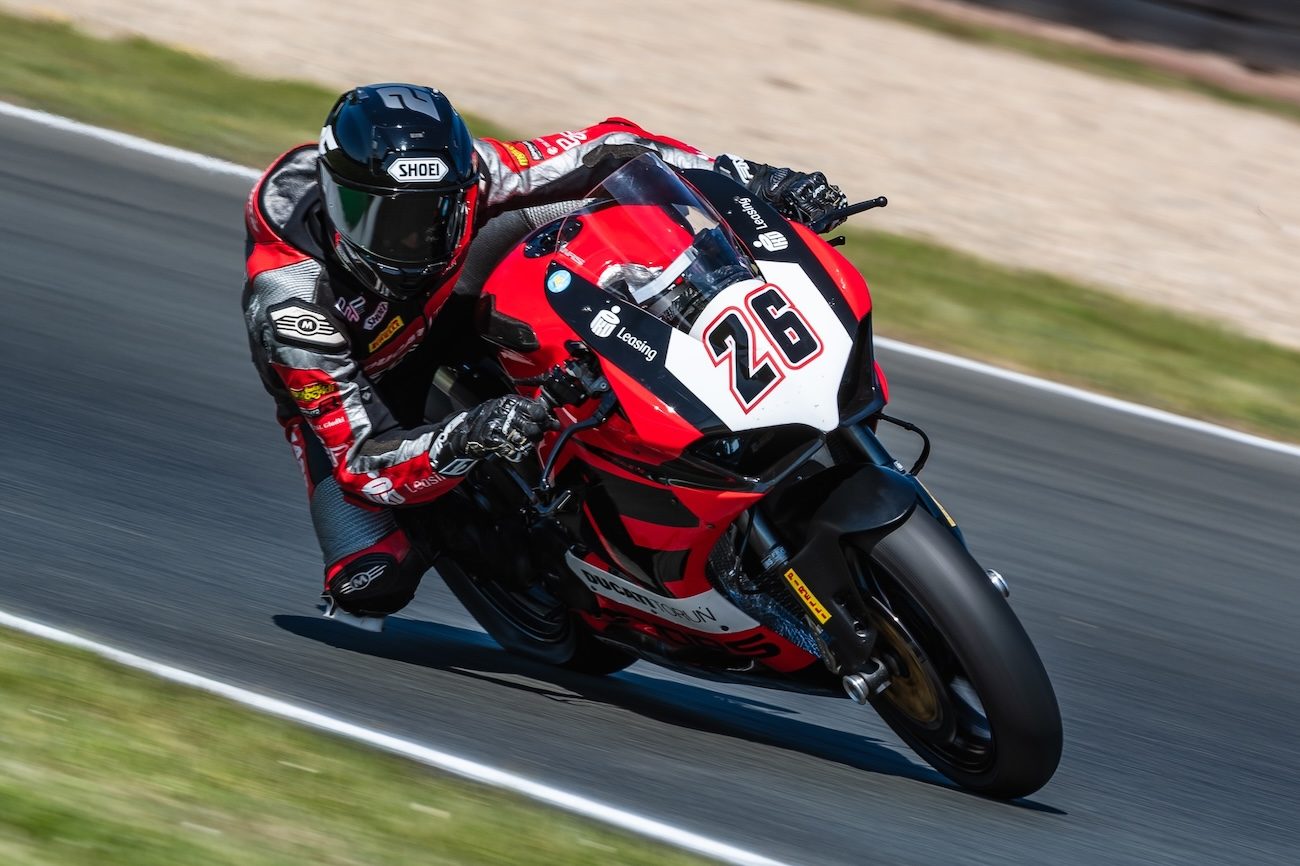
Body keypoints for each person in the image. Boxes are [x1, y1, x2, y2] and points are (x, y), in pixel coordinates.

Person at [242, 82, 848, 628]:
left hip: (458, 288)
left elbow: (609, 148)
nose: (414, 241)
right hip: (375, 383)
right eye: (388, 223)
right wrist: (465, 437)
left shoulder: (477, 171)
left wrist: (752, 179)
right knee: (370, 578)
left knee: (610, 208)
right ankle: (534, 559)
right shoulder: (290, 302)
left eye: (435, 214)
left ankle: (675, 370)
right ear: (334, 199)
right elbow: (360, 461)